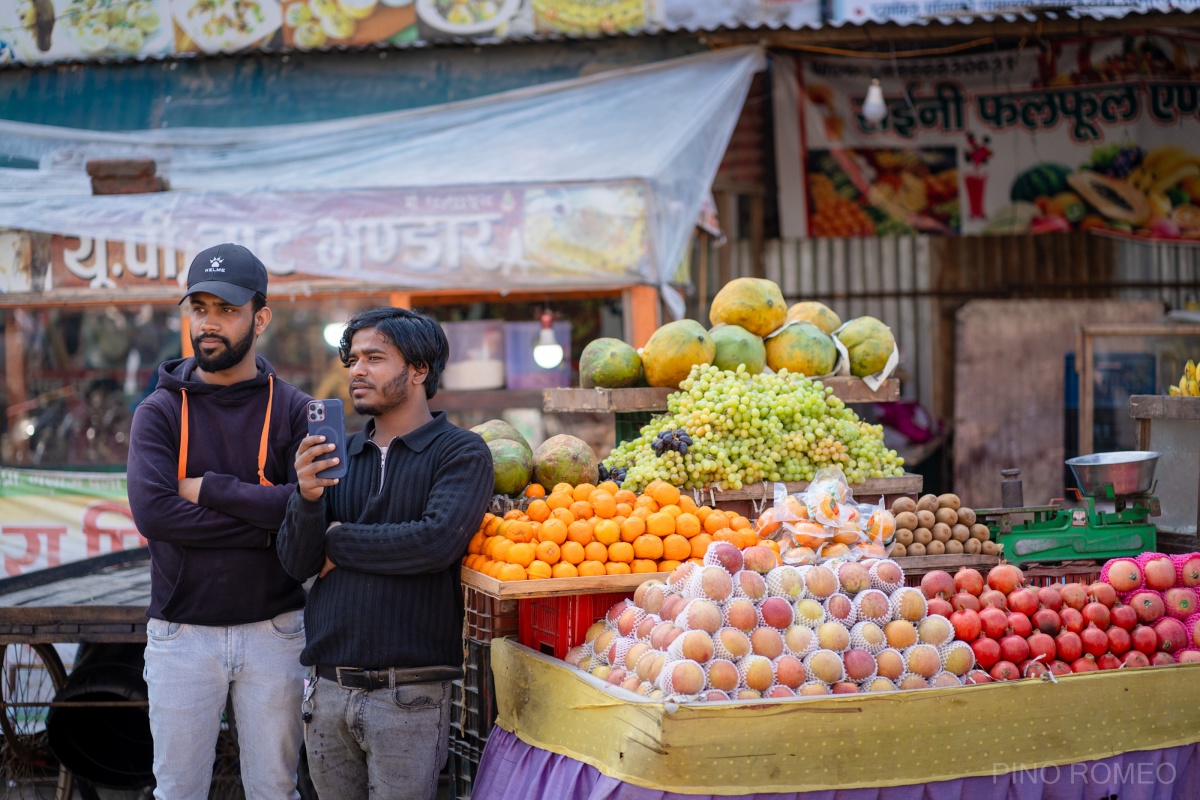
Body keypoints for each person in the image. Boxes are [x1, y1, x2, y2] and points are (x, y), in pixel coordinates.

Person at [277, 306, 493, 800]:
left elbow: (433, 543)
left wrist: (337, 539)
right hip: (328, 689)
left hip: (411, 694)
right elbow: (295, 562)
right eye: (353, 359)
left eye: (374, 358)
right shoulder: (336, 456)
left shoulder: (459, 453)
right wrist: (308, 497)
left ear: (418, 370)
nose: (357, 371)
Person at [127, 243, 312, 799]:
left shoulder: (295, 410)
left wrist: (208, 490)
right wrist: (270, 521)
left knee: (273, 791)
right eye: (199, 307)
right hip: (181, 633)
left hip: (275, 630)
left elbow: (313, 509)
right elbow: (154, 513)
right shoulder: (159, 411)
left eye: (226, 310)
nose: (208, 324)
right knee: (178, 791)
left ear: (260, 318)